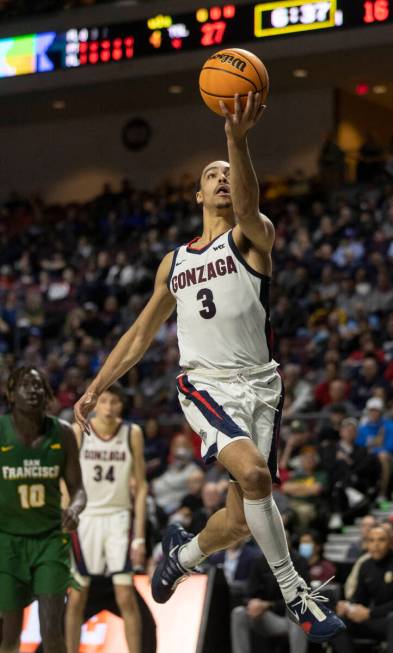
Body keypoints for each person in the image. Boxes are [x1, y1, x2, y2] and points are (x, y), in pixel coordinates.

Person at [74, 91, 345, 643]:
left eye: (229, 173)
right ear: (197, 193)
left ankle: (184, 553)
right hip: (205, 385)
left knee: (243, 521)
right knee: (254, 475)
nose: (222, 178)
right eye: (212, 174)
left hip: (261, 387)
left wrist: (235, 140)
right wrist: (96, 384)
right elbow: (142, 333)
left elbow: (248, 207)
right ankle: (298, 595)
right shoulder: (175, 262)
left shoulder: (253, 237)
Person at [0, 366, 86, 653]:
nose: (33, 390)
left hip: (50, 540)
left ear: (48, 394)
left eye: (39, 385)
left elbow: (78, 490)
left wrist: (74, 509)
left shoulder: (62, 433)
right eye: (25, 385)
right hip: (7, 541)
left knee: (52, 631)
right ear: (11, 394)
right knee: (9, 634)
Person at [65, 384, 147, 653]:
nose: (110, 407)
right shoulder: (79, 431)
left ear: (122, 405)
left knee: (125, 595)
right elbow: (66, 481)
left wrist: (139, 538)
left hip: (118, 518)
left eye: (115, 402)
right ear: (95, 404)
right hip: (85, 518)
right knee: (76, 597)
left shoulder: (131, 433)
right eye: (105, 401)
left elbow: (142, 485)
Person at [231, 542, 310, 653]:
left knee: (297, 613)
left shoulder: (299, 561)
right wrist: (253, 603)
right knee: (238, 612)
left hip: (288, 616)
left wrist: (268, 605)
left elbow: (303, 598)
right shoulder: (259, 561)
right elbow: (250, 594)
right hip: (266, 617)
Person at [334, 525, 393, 653]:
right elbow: (359, 598)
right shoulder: (365, 566)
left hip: (386, 618)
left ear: (390, 543)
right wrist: (349, 607)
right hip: (374, 619)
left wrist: (370, 613)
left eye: (381, 540)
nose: (375, 545)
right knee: (339, 621)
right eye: (371, 540)